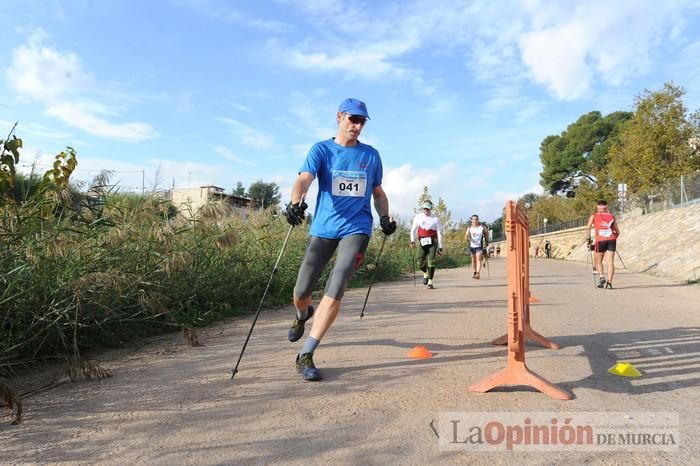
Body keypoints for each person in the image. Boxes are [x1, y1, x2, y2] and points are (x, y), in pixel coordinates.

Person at [284, 98, 396, 381]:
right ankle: (302, 314)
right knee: (301, 292)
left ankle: (306, 353)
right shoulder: (321, 150)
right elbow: (304, 179)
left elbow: (378, 193)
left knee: (339, 281)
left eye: (361, 122)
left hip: (357, 227)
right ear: (339, 117)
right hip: (323, 228)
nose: (357, 126)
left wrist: (384, 217)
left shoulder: (371, 155)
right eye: (353, 120)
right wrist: (295, 202)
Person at [585, 200, 620, 289]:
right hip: (611, 239)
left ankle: (601, 277)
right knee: (610, 262)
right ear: (606, 207)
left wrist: (588, 239)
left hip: (600, 240)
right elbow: (618, 231)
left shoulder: (594, 216)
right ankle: (609, 283)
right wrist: (613, 237)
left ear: (598, 207)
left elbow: (588, 228)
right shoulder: (611, 216)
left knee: (598, 261)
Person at [410, 200, 443, 289]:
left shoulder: (435, 219)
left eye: (428, 209)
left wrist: (440, 247)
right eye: (424, 208)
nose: (426, 210)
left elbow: (439, 233)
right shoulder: (418, 217)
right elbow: (413, 230)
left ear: (431, 208)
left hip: (432, 242)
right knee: (419, 261)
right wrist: (412, 241)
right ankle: (425, 273)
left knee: (431, 261)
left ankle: (430, 282)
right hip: (422, 242)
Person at [465, 214, 488, 280]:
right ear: (471, 220)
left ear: (478, 220)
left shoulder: (482, 227)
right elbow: (466, 235)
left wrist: (486, 240)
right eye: (473, 219)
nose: (474, 221)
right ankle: (475, 272)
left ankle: (478, 273)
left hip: (479, 246)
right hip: (472, 246)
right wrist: (467, 238)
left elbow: (487, 232)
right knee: (473, 260)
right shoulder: (469, 227)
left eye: (476, 219)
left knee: (478, 259)